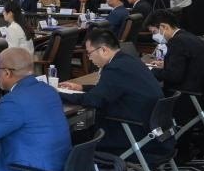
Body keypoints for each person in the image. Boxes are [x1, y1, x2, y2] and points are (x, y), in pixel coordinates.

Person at [59, 29, 169, 158]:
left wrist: (57, 95)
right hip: (151, 132)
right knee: (81, 130)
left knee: (72, 137)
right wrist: (82, 87)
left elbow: (94, 100)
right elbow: (112, 89)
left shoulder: (115, 68)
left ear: (103, 50)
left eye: (89, 53)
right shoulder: (128, 60)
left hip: (131, 134)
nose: (89, 58)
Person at [145, 10, 204, 163]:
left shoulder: (177, 42)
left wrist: (150, 71)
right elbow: (186, 64)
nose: (154, 36)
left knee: (151, 99)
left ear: (164, 27)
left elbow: (174, 76)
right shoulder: (189, 37)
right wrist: (165, 64)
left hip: (187, 95)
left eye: (154, 32)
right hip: (202, 92)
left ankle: (162, 148)